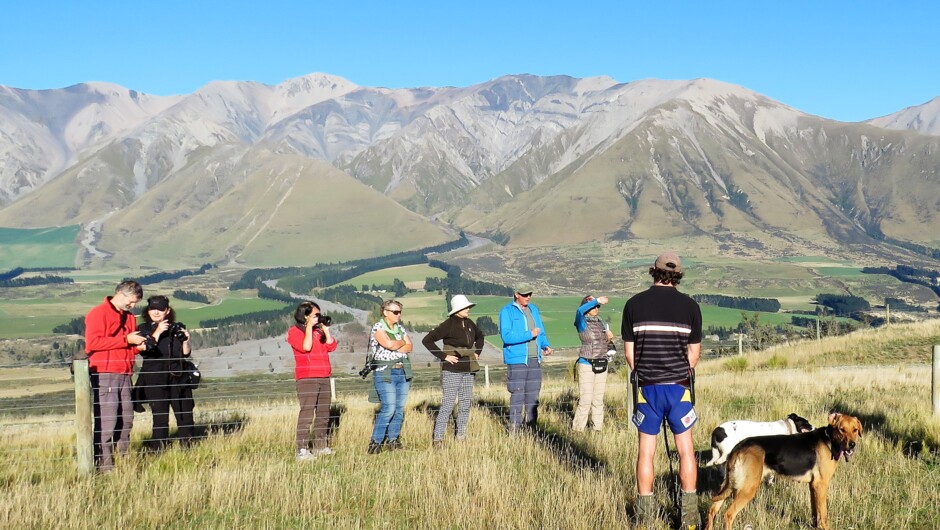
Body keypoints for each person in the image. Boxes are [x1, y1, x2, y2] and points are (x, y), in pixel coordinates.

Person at [621, 252, 703, 530]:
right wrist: (679, 371)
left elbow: (629, 355)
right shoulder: (691, 307)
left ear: (653, 272)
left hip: (647, 390)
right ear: (678, 275)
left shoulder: (634, 305)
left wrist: (647, 372)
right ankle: (690, 518)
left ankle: (644, 518)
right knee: (686, 451)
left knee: (646, 452)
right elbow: (694, 354)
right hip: (680, 389)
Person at [84, 280, 147, 472]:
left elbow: (123, 348)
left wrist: (136, 348)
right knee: (107, 421)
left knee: (126, 420)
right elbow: (92, 344)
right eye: (131, 301)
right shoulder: (98, 313)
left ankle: (124, 461)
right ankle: (104, 467)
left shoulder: (129, 318)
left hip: (125, 373)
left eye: (135, 302)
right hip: (105, 373)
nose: (133, 306)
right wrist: (126, 339)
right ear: (120, 293)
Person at [421, 294, 485, 447]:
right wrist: (444, 356)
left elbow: (480, 336)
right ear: (458, 309)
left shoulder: (469, 323)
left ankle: (461, 436)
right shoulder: (448, 325)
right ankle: (438, 439)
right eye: (466, 307)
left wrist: (477, 352)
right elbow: (427, 340)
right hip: (452, 370)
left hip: (469, 368)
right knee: (448, 404)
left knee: (465, 404)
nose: (469, 309)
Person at [135, 295, 196, 449]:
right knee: (160, 417)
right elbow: (145, 350)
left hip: (178, 377)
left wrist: (186, 340)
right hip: (155, 379)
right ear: (147, 311)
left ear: (167, 311)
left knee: (185, 415)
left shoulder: (177, 327)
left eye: (160, 309)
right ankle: (159, 449)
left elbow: (186, 353)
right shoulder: (143, 329)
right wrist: (157, 331)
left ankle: (187, 447)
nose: (156, 312)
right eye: (152, 309)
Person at [287, 301, 338, 461]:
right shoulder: (294, 331)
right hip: (307, 377)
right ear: (306, 316)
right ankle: (302, 449)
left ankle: (320, 445)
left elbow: (332, 346)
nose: (319, 317)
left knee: (323, 413)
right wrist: (309, 327)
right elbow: (306, 347)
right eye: (316, 315)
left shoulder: (318, 331)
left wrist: (326, 331)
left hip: (324, 375)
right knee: (307, 413)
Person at [499, 284, 552, 432]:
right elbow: (506, 336)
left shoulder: (533, 309)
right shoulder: (507, 311)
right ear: (516, 294)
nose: (528, 296)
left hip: (535, 358)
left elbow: (540, 331)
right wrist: (529, 334)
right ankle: (514, 429)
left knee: (533, 395)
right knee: (517, 394)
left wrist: (545, 345)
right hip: (517, 360)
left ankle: (531, 428)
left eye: (530, 293)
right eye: (525, 294)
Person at [367, 299, 413, 454]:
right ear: (385, 312)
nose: (398, 315)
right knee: (389, 408)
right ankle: (376, 442)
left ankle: (393, 440)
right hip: (385, 372)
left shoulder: (400, 327)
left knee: (399, 408)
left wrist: (395, 343)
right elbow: (390, 345)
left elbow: (410, 346)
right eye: (395, 312)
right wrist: (400, 343)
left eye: (400, 312)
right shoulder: (378, 327)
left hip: (402, 371)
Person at [572, 294, 614, 432]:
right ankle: (578, 430)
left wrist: (608, 338)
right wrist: (597, 300)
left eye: (597, 306)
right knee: (586, 399)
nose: (596, 308)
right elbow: (579, 311)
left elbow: (602, 344)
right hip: (587, 363)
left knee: (598, 399)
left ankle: (598, 429)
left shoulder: (600, 322)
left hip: (602, 362)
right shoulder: (581, 321)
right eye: (592, 305)